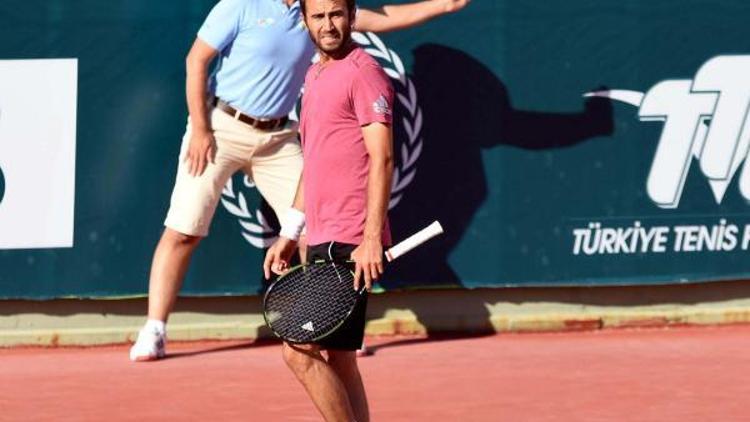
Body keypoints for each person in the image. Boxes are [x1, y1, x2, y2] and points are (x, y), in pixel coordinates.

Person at [129, 0, 470, 362]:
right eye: (322, 17)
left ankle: (330, 321)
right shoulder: (241, 5)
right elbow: (196, 60)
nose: (328, 22)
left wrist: (446, 4)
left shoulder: (320, 9)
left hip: (279, 139)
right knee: (184, 230)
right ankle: (155, 329)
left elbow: (384, 18)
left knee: (314, 231)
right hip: (221, 128)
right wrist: (200, 128)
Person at [263, 0, 393, 419]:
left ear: (352, 16)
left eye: (336, 14)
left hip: (350, 242)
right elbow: (314, 162)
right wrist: (289, 231)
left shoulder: (364, 73)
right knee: (340, 358)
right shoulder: (315, 74)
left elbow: (383, 158)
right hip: (320, 236)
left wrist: (371, 237)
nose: (328, 25)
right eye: (318, 16)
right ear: (305, 21)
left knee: (297, 351)